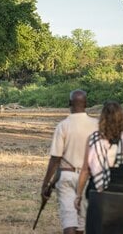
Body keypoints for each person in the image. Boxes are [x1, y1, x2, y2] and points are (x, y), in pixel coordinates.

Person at [74, 101, 123, 234]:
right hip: (122, 196)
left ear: (102, 119)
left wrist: (78, 195)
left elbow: (85, 170)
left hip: (98, 195)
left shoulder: (94, 139)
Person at [41, 89, 99, 234]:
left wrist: (46, 183)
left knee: (69, 220)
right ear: (86, 104)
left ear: (69, 104)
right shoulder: (97, 125)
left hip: (67, 175)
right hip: (89, 178)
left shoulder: (63, 126)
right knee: (81, 223)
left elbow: (55, 158)